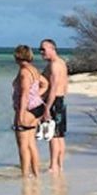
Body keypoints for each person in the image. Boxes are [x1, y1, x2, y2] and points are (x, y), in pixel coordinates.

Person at [12, 45, 49, 178]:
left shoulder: (24, 72)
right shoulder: (33, 70)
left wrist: (20, 115)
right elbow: (45, 84)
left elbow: (24, 95)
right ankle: (36, 173)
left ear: (17, 56)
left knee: (22, 145)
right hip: (37, 108)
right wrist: (37, 96)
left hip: (27, 110)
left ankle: (25, 175)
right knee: (31, 143)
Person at [40, 38, 68, 173]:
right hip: (60, 100)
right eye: (40, 49)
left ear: (52, 49)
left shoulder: (54, 65)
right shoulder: (61, 62)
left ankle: (53, 166)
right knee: (60, 136)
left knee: (53, 136)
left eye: (43, 49)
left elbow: (53, 88)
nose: (41, 52)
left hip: (55, 101)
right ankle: (60, 165)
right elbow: (65, 86)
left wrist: (46, 108)